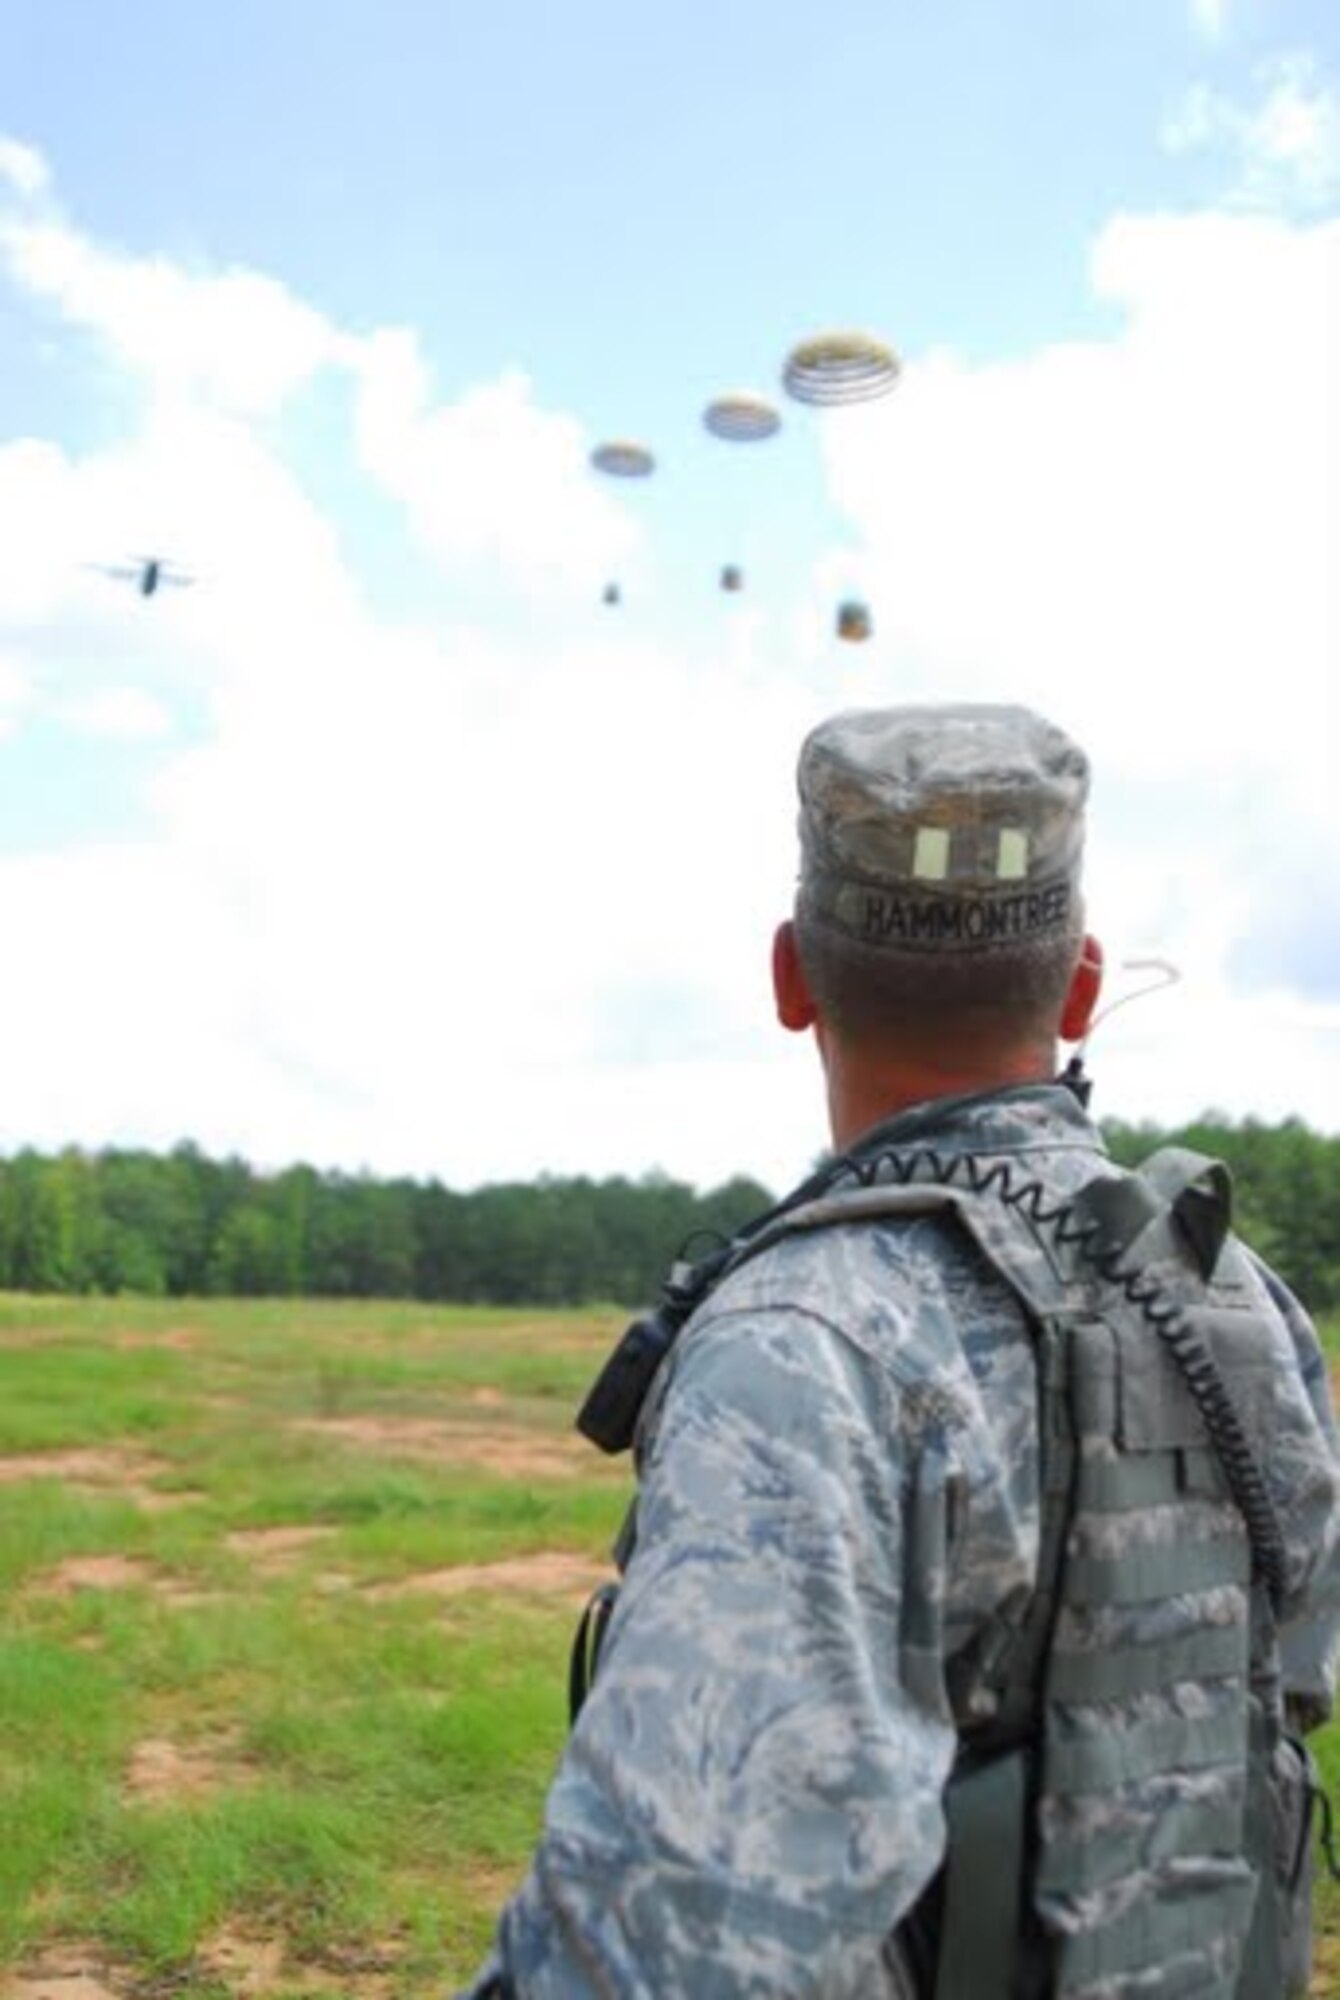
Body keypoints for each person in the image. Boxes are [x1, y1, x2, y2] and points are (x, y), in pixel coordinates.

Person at [461, 703, 1340, 1998]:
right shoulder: (1234, 1296)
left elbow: (671, 1940)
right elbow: (1290, 1678)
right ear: (1083, 985)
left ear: (790, 979)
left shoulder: (800, 1344)